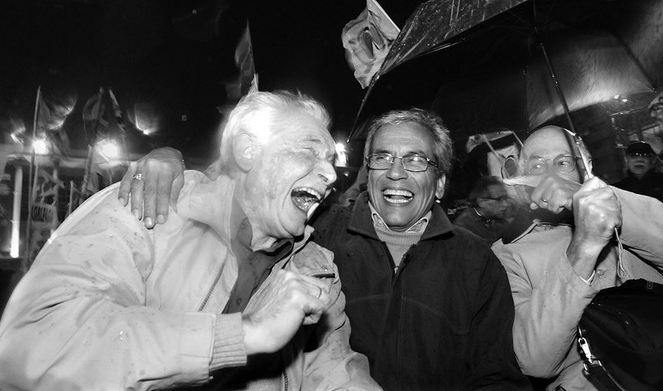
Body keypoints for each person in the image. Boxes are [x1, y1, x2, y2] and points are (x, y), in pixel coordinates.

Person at [119, 108, 531, 391]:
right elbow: (253, 195)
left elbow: (497, 376)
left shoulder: (477, 261)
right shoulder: (315, 239)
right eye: (381, 157)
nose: (396, 172)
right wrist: (170, 162)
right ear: (367, 173)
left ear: (440, 184)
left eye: (416, 160)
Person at [0, 91, 380, 391]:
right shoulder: (148, 207)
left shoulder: (316, 270)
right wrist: (243, 334)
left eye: (331, 160)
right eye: (308, 150)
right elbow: (33, 346)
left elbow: (333, 373)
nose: (330, 173)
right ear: (249, 150)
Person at [491, 125, 663, 391]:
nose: (550, 175)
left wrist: (608, 207)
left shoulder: (631, 207)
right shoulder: (507, 252)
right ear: (521, 178)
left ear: (586, 165)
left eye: (563, 162)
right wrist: (583, 248)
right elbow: (535, 360)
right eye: (537, 166)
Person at [452, 175, 517, 244]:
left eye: (505, 198)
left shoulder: (498, 216)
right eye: (499, 199)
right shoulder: (464, 229)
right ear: (482, 202)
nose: (505, 204)